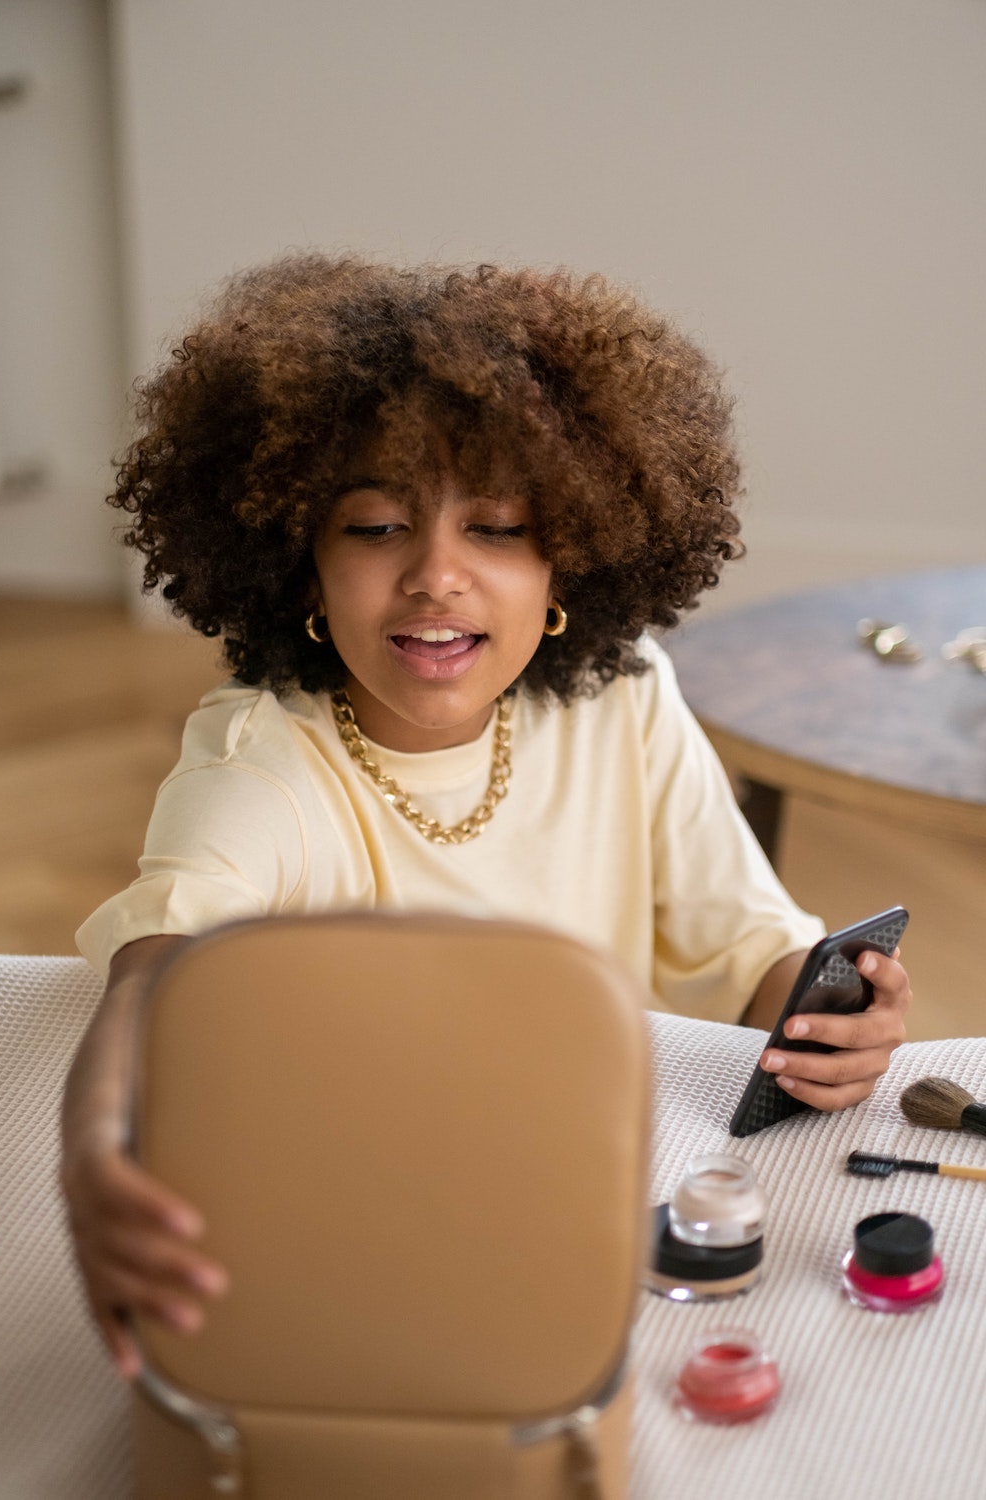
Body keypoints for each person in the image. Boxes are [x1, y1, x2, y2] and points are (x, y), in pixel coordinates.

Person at [61, 254, 910, 1377]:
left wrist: (830, 1022)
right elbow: (153, 973)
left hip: (593, 1188)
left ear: (570, 560)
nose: (436, 574)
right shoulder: (263, 764)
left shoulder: (622, 698)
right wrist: (94, 1148)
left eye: (498, 527)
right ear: (302, 566)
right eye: (376, 526)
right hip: (374, 1219)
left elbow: (750, 948)